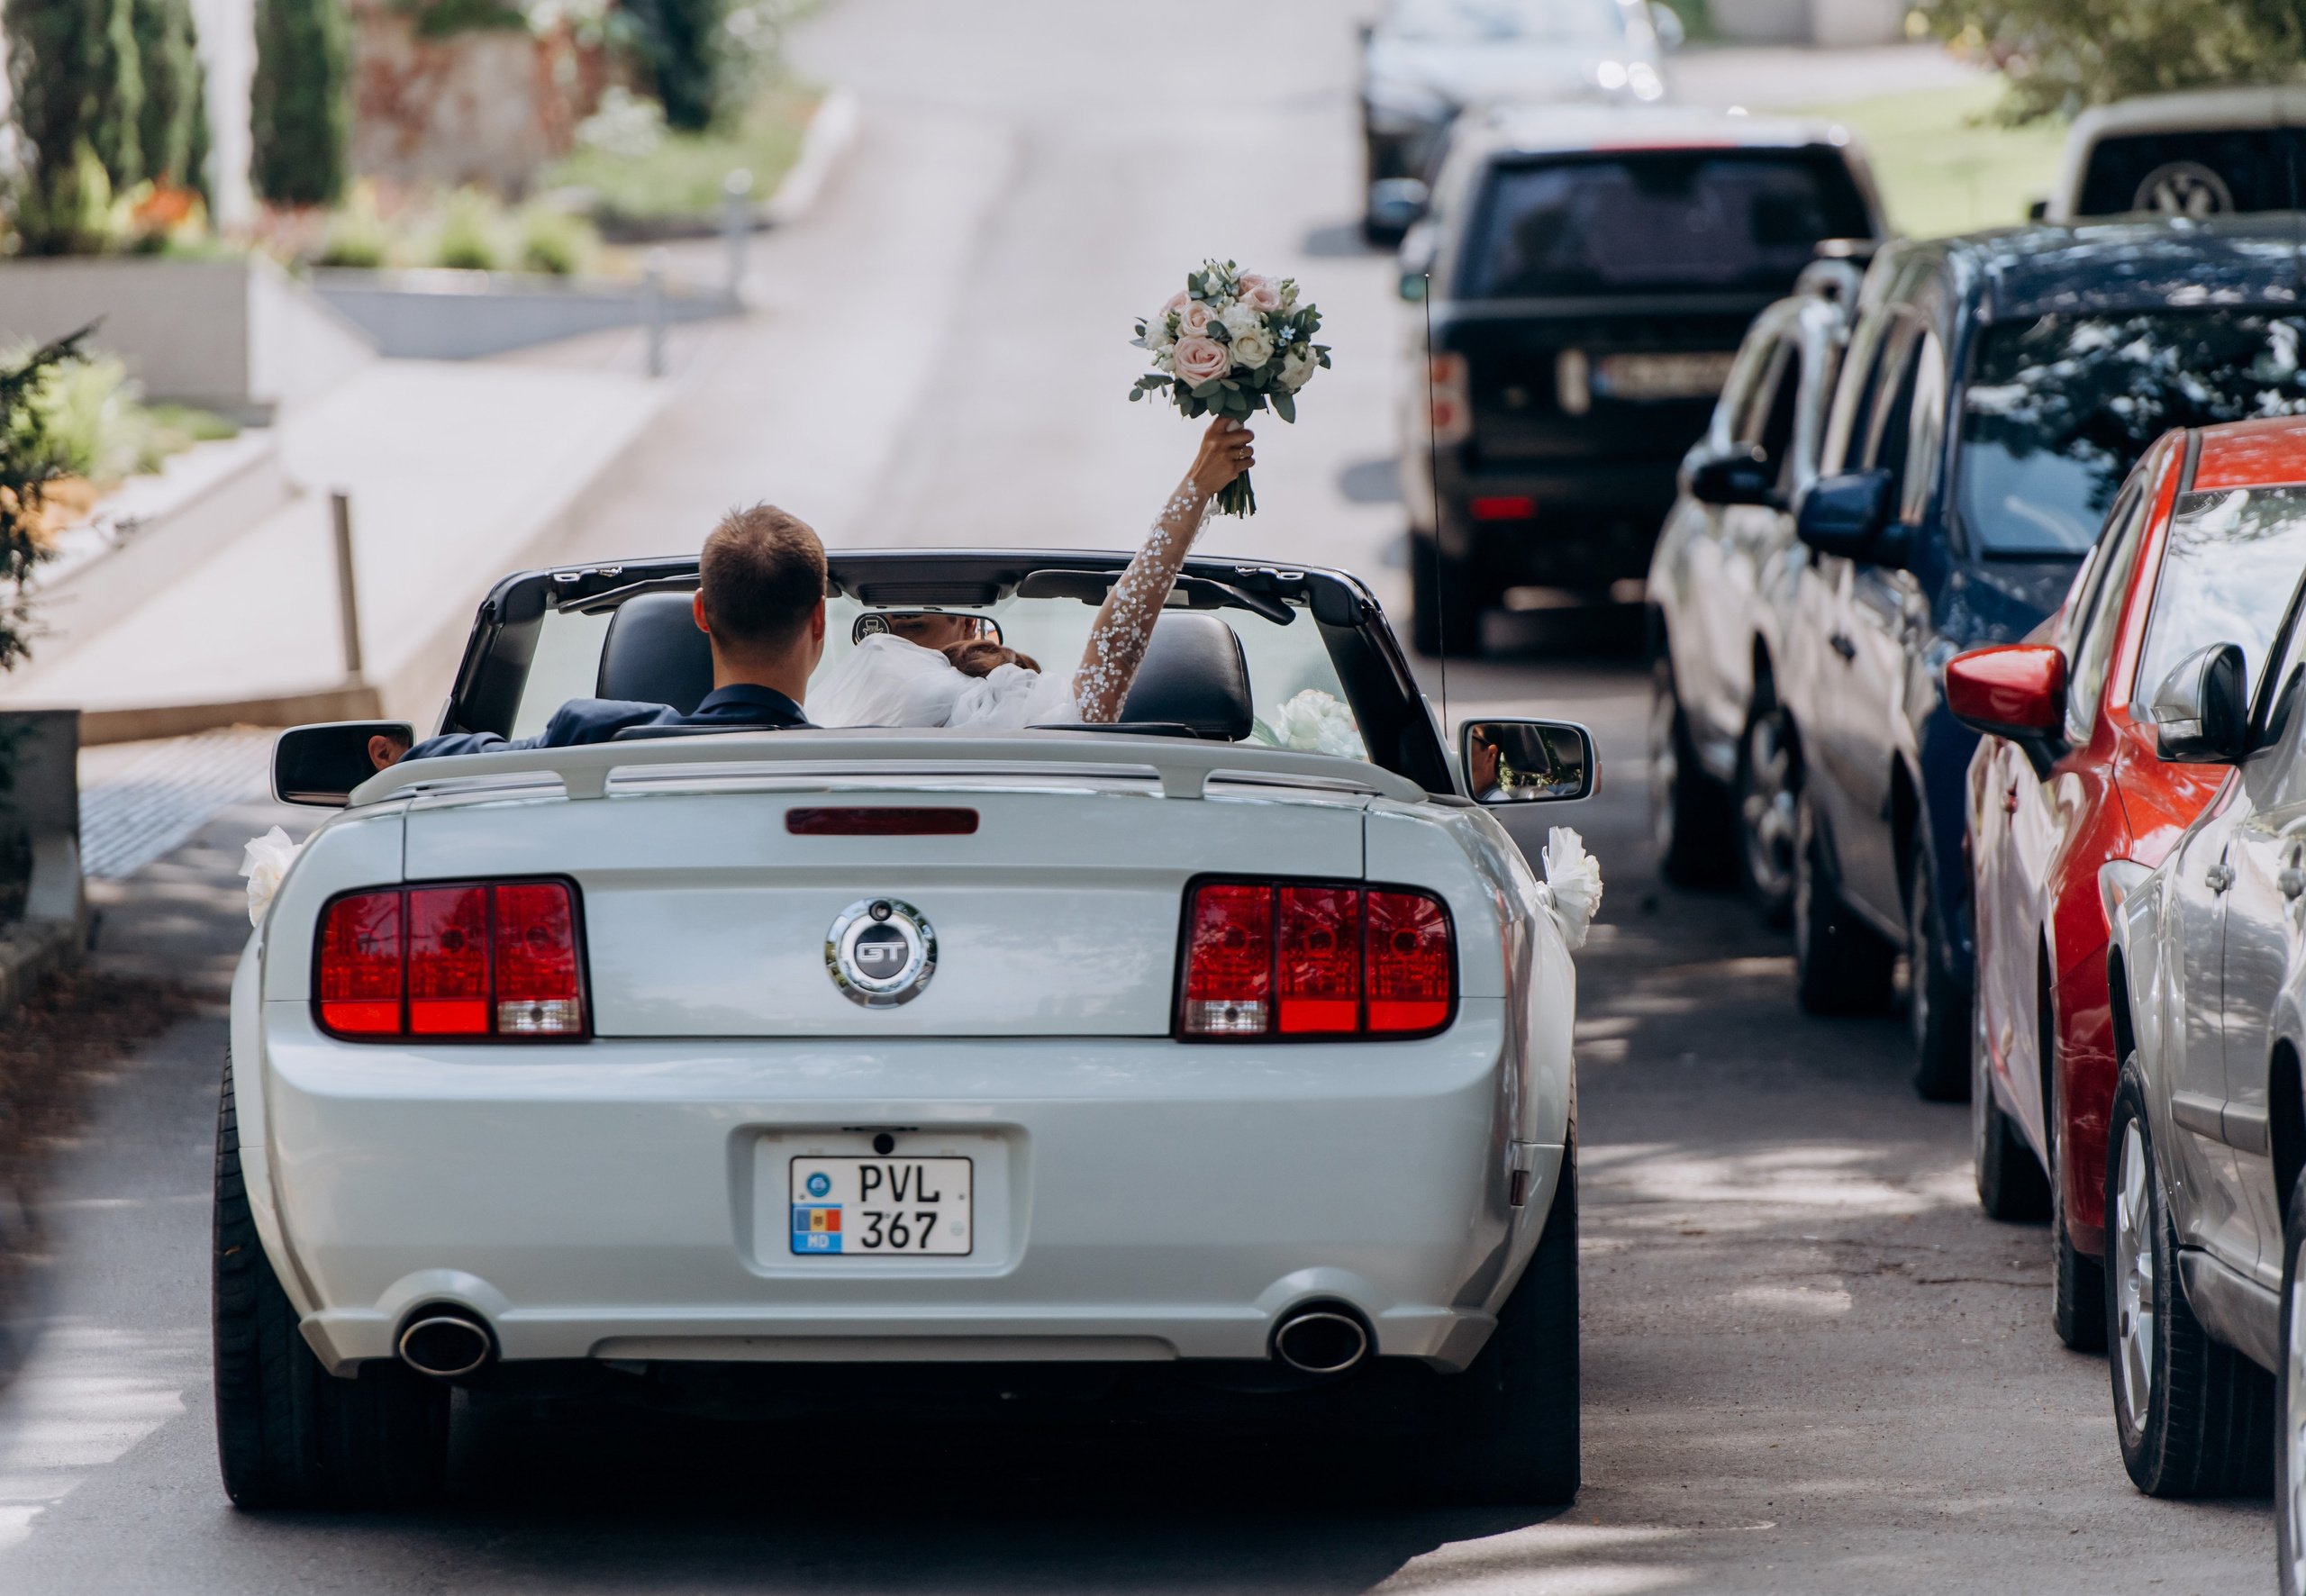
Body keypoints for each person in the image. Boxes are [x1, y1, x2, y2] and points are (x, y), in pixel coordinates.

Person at [810, 413, 1255, 730]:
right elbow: (1119, 643)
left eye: (911, 629)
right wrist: (1198, 485)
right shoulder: (1053, 738)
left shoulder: (811, 749)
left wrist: (1197, 485)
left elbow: (1120, 644)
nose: (894, 646)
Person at [375, 503, 828, 767]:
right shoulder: (875, 766)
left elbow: (461, 765)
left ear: (701, 613)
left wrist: (398, 758)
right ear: (819, 620)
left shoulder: (593, 737)